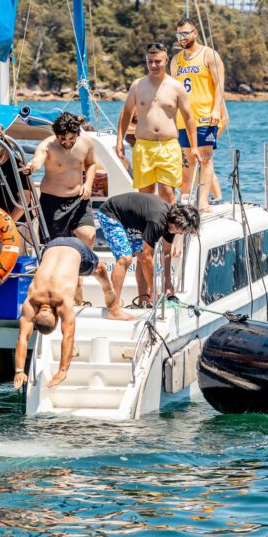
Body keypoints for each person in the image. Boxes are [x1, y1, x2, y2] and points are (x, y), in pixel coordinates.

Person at [13, 237, 116, 389]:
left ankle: (108, 289)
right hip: (51, 246)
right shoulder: (32, 299)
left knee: (98, 269)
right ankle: (77, 278)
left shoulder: (63, 302)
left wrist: (63, 370)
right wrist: (19, 370)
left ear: (58, 317)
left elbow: (67, 336)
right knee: (69, 269)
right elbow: (21, 338)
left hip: (77, 247)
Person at [117, 43, 200, 205]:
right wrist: (119, 140)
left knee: (167, 192)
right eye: (150, 61)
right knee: (145, 194)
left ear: (166, 60)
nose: (153, 65)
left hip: (168, 146)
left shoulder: (176, 87)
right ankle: (147, 228)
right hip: (143, 146)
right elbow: (126, 113)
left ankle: (170, 228)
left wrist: (194, 146)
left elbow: (189, 117)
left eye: (157, 61)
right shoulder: (137, 85)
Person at [97, 192, 200, 320]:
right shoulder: (158, 221)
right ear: (177, 223)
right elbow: (148, 258)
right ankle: (113, 308)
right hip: (110, 213)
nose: (182, 233)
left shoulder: (171, 225)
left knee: (141, 255)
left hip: (132, 220)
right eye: (183, 230)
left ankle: (143, 301)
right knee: (125, 259)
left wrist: (168, 281)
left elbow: (166, 254)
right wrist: (154, 289)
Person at [171, 18, 226, 212]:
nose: (182, 38)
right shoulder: (176, 60)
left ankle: (204, 201)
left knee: (205, 157)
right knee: (189, 160)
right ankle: (187, 199)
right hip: (183, 119)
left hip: (205, 116)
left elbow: (219, 84)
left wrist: (216, 109)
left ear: (195, 33)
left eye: (185, 33)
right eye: (179, 34)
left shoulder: (209, 55)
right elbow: (172, 88)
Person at [23, 112, 96, 247]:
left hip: (79, 199)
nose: (67, 142)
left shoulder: (87, 142)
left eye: (71, 138)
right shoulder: (47, 146)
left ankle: (85, 266)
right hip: (52, 203)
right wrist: (33, 166)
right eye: (62, 138)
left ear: (78, 133)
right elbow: (38, 160)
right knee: (53, 246)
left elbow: (91, 164)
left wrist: (88, 184)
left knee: (88, 235)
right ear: (56, 135)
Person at [0, 140, 30, 222]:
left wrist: (9, 223)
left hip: (17, 222)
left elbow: (25, 200)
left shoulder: (18, 168)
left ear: (4, 148)